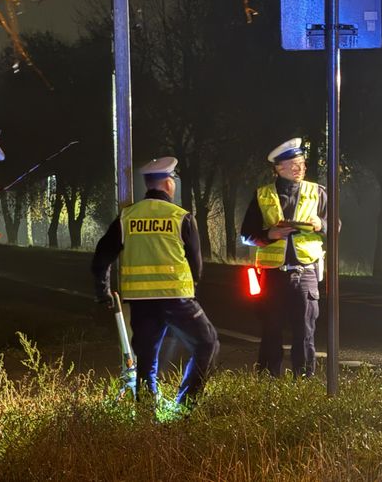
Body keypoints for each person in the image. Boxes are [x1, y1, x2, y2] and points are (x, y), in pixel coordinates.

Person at [91, 156, 219, 408]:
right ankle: (184, 407)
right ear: (169, 184)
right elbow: (197, 266)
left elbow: (101, 257)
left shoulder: (127, 217)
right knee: (207, 343)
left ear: (148, 185)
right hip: (177, 299)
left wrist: (103, 291)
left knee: (146, 362)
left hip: (141, 303)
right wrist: (190, 287)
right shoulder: (180, 217)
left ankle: (147, 414)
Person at [240, 137, 328, 379]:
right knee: (271, 330)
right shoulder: (262, 195)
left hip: (306, 271)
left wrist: (321, 223)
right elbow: (247, 235)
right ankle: (268, 382)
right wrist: (270, 234)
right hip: (272, 274)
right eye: (293, 164)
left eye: (301, 163)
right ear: (279, 168)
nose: (299, 168)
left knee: (305, 331)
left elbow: (336, 226)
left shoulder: (318, 192)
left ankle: (304, 382)